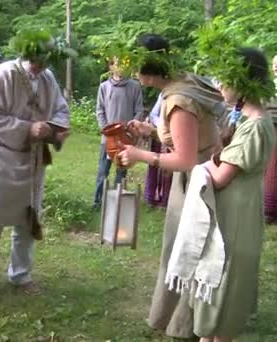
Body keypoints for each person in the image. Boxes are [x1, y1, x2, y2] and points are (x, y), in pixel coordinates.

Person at [117, 34, 226, 339]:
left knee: (188, 250)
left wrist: (139, 154)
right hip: (200, 177)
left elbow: (184, 158)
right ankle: (180, 319)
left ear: (148, 69)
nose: (132, 72)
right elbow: (186, 137)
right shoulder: (182, 83)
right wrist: (152, 131)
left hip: (197, 184)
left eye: (134, 65)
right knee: (182, 249)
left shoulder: (178, 100)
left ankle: (187, 323)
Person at [0, 29, 71, 302]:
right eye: (35, 60)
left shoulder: (48, 78)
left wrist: (57, 129)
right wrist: (27, 129)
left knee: (27, 221)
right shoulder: (4, 74)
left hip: (32, 162)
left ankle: (20, 274)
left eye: (44, 60)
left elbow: (60, 109)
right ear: (25, 55)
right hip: (0, 161)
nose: (39, 66)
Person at [183, 47, 275, 342]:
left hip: (237, 216)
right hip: (230, 212)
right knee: (217, 275)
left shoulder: (256, 126)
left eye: (225, 79)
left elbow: (221, 177)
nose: (219, 84)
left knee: (225, 279)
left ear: (244, 80)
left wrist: (202, 164)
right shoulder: (245, 119)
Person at [92, 57, 144, 207]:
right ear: (111, 66)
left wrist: (130, 129)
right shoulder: (104, 87)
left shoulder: (134, 86)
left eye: (123, 64)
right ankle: (97, 202)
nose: (120, 67)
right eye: (117, 63)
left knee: (121, 172)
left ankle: (116, 202)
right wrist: (106, 129)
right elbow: (100, 110)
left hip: (125, 138)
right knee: (103, 171)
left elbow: (139, 110)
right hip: (107, 138)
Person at [144, 94, 172, 207]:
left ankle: (165, 199)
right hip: (159, 133)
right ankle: (151, 197)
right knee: (155, 166)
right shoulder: (163, 95)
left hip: (172, 136)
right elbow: (153, 114)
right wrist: (162, 125)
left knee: (169, 168)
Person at [263, 55, 277, 223]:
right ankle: (269, 210)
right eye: (274, 64)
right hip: (270, 127)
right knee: (271, 167)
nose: (276, 67)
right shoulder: (268, 86)